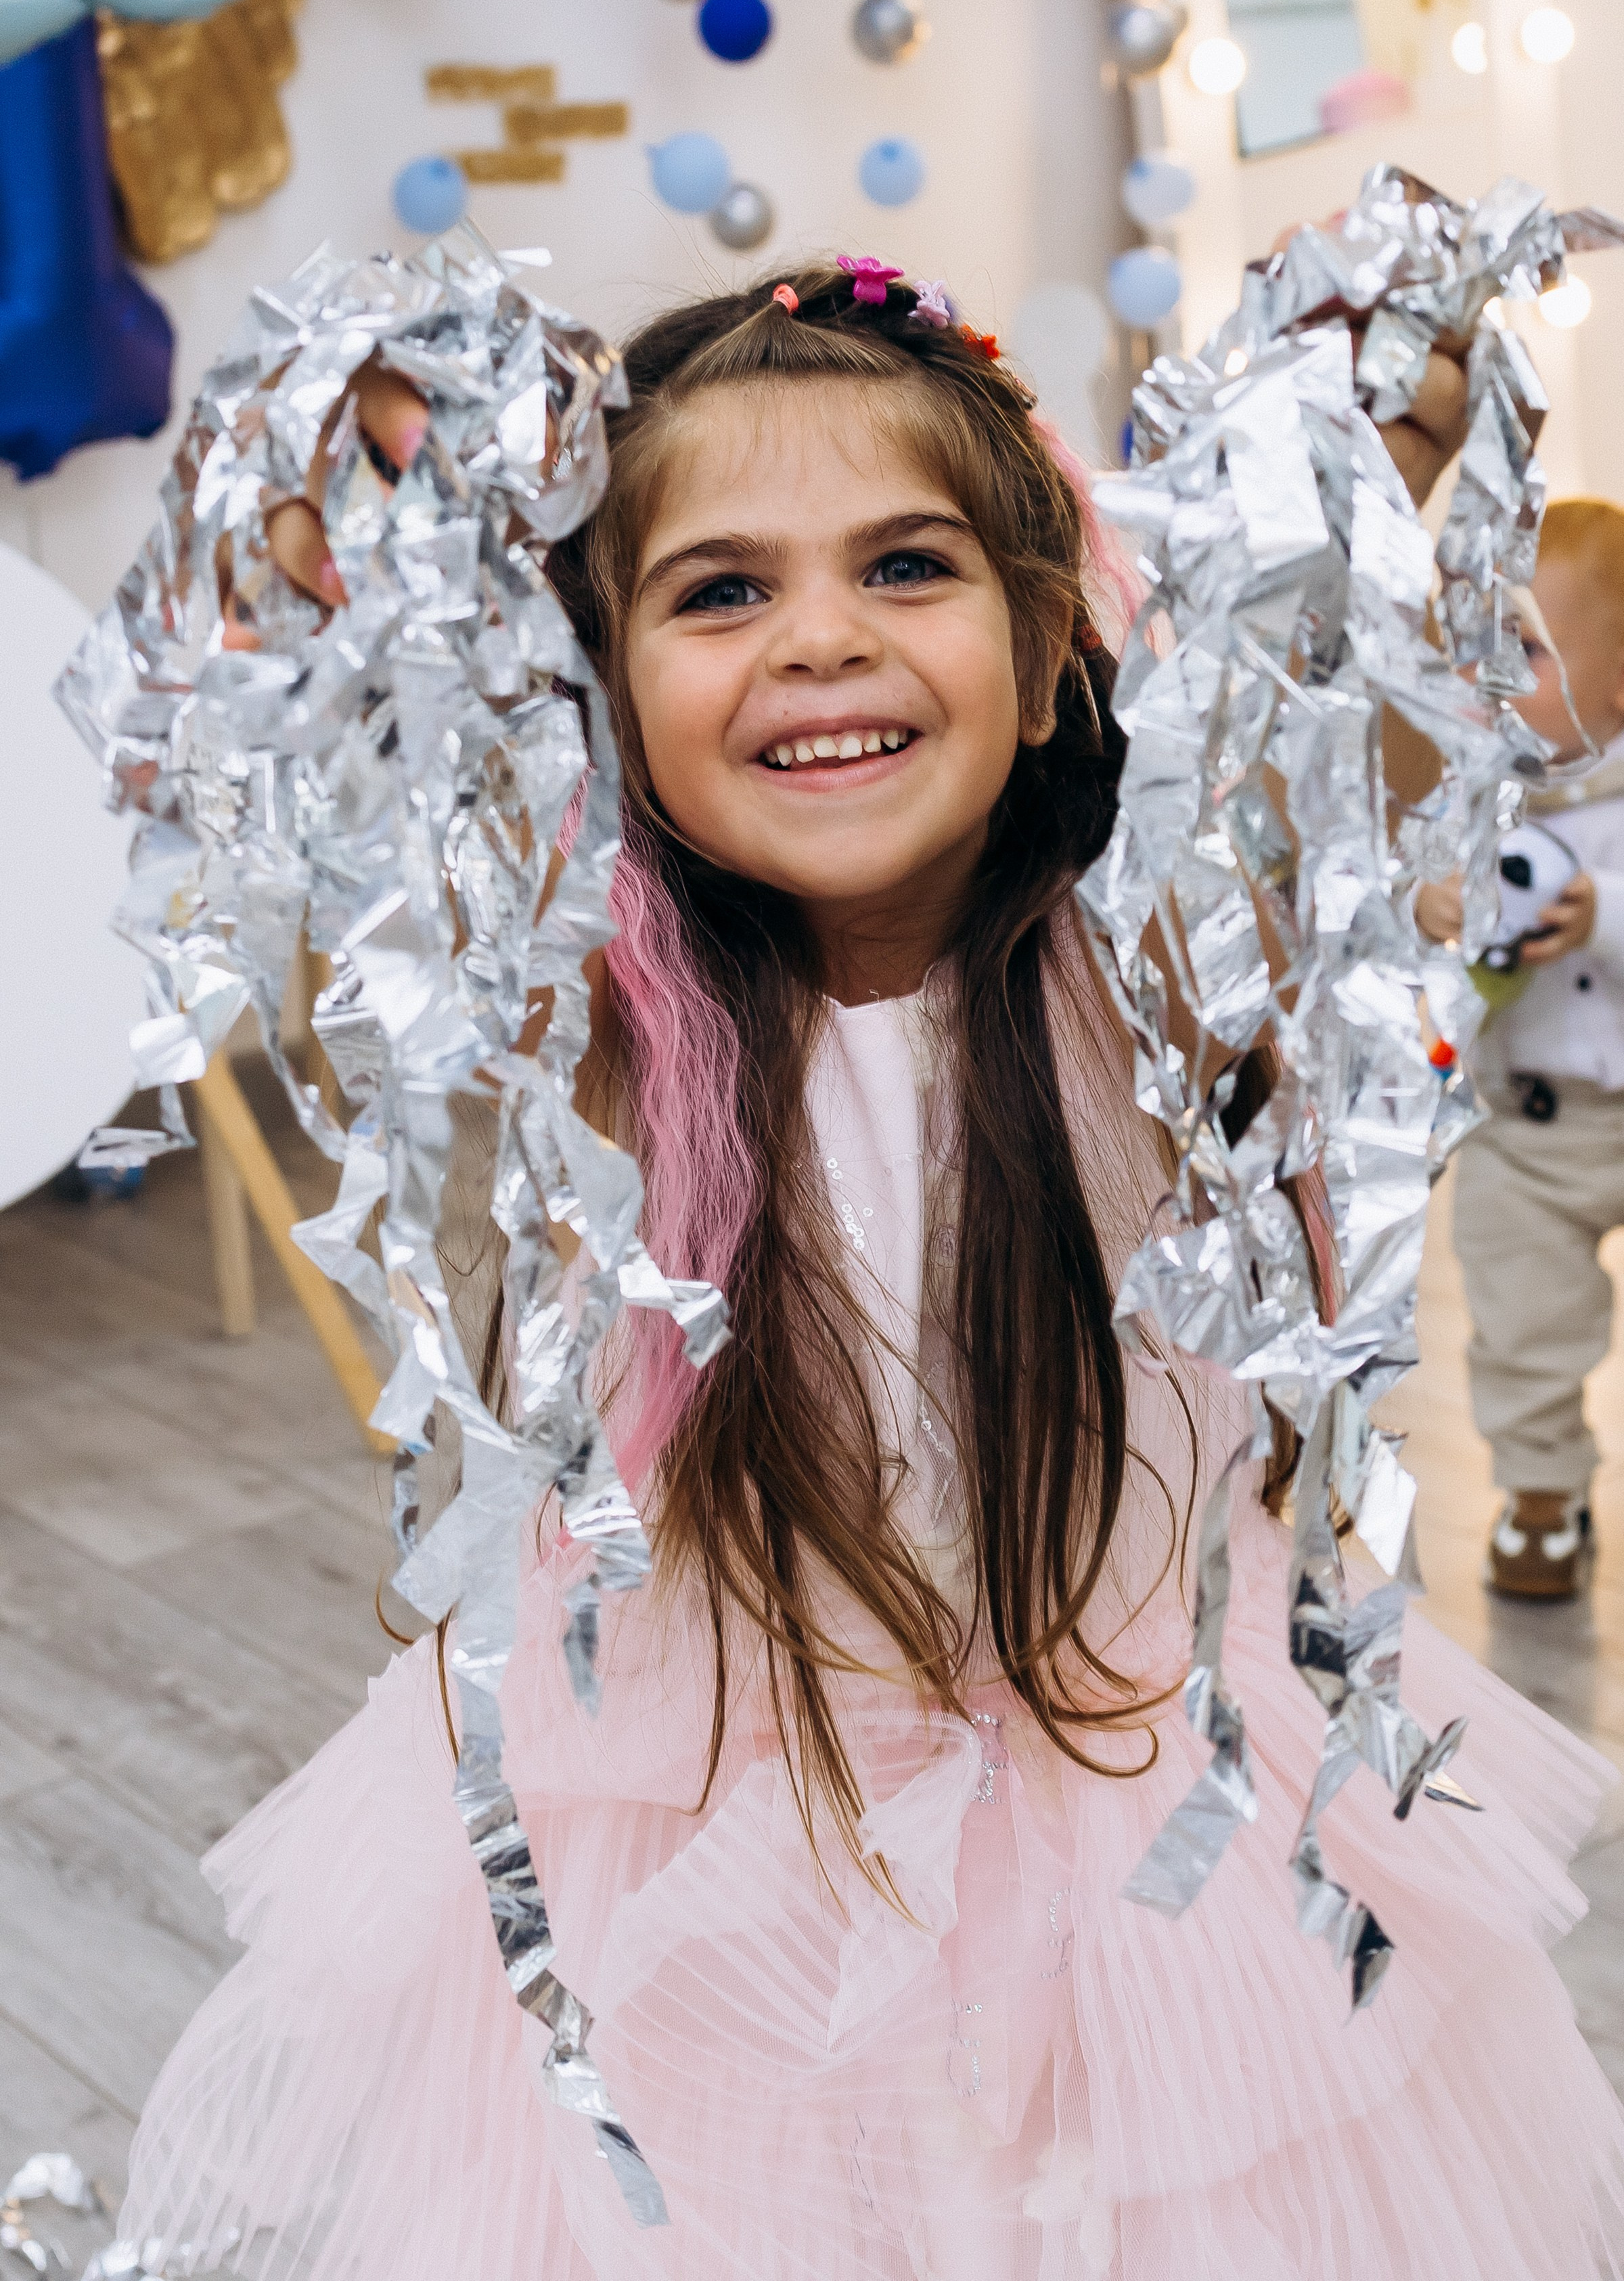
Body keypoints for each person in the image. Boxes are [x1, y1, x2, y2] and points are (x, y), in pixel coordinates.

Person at [116, 271, 1624, 2280]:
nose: (821, 635)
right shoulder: (598, 1012)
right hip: (711, 1852)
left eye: (906, 565)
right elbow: (312, 645)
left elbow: (1375, 661)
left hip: (1151, 1834)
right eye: (720, 591)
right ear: (596, 692)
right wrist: (372, 439)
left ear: (1046, 641)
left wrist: (1381, 409)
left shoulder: (1167, 966)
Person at [1418, 499, 1624, 1601]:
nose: (1489, 682)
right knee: (1522, 1321)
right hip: (1525, 1126)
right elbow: (1401, 895)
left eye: (1527, 655)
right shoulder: (1469, 794)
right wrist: (1431, 901)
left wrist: (1605, 914)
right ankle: (1541, 1494)